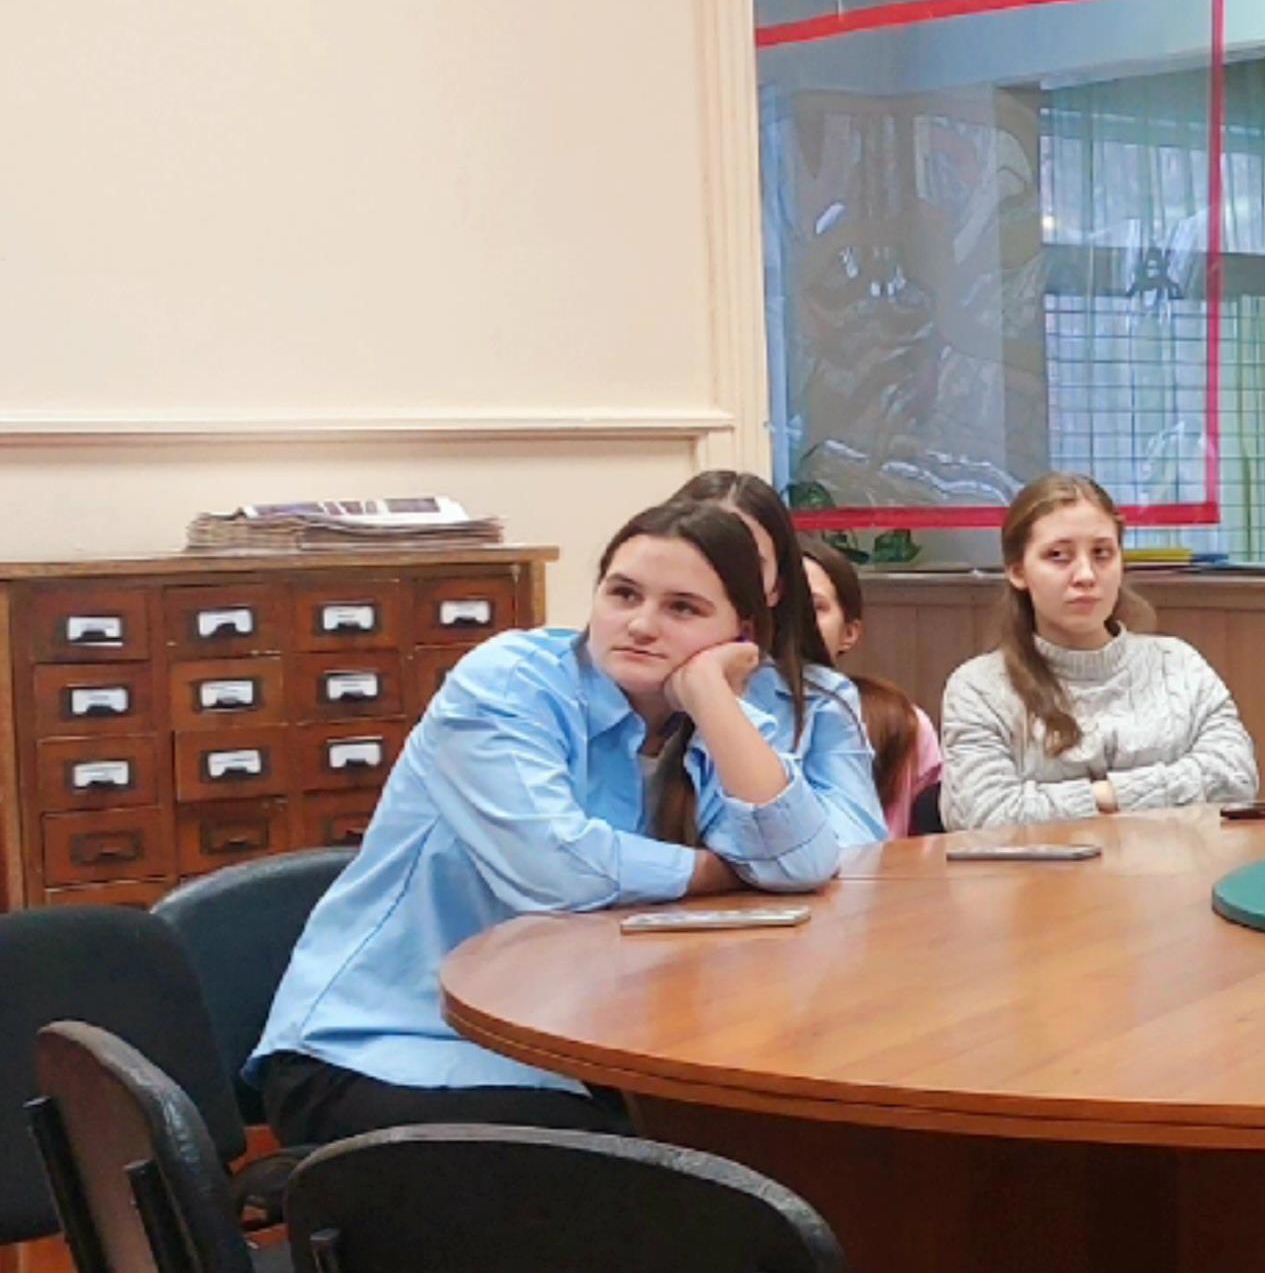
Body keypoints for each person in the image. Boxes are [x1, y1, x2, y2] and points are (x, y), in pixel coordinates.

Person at [251, 499, 865, 1142]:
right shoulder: (508, 683)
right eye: (623, 594)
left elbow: (802, 863)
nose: (641, 625)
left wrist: (713, 696)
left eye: (683, 608)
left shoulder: (711, 715)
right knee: (644, 1162)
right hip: (384, 1046)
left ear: (741, 632)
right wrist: (718, 872)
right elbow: (556, 869)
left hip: (568, 1045)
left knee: (767, 1132)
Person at [940, 471, 1258, 825]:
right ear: (1018, 571)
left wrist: (1109, 794)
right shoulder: (978, 688)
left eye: (1102, 554)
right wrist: (1123, 795)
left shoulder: (1179, 665)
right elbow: (985, 815)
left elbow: (1236, 780)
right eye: (1058, 556)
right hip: (1045, 865)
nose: (1086, 576)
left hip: (1174, 861)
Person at [672, 461, 887, 860]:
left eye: (746, 562)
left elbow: (854, 845)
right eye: (701, 556)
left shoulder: (822, 697)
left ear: (777, 587)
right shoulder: (624, 678)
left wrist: (727, 704)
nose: (718, 578)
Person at [803, 546, 944, 836]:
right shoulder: (726, 717)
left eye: (815, 607)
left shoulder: (903, 723)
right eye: (778, 607)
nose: (795, 621)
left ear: (849, 632)